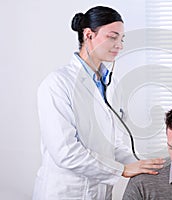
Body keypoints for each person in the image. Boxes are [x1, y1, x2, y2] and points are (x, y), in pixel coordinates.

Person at [32, 6, 164, 200]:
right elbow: (65, 152)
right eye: (112, 37)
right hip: (65, 193)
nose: (119, 45)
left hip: (100, 193)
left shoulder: (110, 84)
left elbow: (114, 143)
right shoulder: (57, 83)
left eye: (122, 39)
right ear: (88, 35)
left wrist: (143, 166)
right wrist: (122, 170)